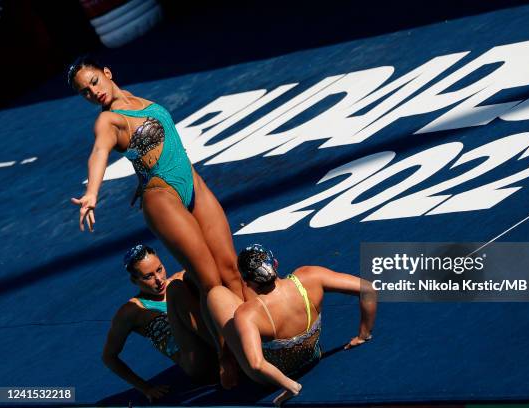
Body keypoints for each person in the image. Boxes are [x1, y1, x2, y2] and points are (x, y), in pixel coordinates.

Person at [67, 56, 243, 386]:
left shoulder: (133, 98)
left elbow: (149, 143)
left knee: (230, 269)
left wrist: (141, 171)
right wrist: (92, 193)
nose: (93, 93)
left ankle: (253, 332)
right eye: (84, 93)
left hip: (193, 184)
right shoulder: (107, 121)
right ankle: (228, 356)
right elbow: (100, 152)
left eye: (94, 82)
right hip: (163, 199)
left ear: (107, 73)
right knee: (209, 282)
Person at [206, 244, 377, 406]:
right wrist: (364, 334)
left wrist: (290, 386)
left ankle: (225, 356)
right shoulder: (309, 278)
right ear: (275, 264)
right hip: (312, 356)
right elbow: (368, 289)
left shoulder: (246, 314)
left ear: (247, 283)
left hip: (273, 377)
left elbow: (257, 364)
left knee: (216, 294)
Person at [102, 244, 218, 402]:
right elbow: (109, 357)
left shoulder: (179, 278)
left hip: (215, 343)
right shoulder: (132, 310)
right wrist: (145, 388)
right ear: (134, 280)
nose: (159, 279)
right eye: (148, 276)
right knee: (176, 289)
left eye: (159, 269)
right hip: (198, 362)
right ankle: (227, 353)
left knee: (198, 273)